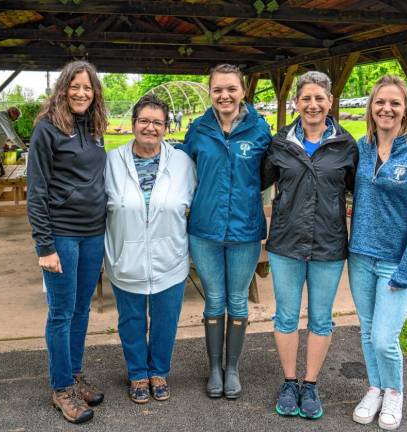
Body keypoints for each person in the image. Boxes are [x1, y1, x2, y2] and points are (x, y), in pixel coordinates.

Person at [261, 71, 358, 419]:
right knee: (286, 317)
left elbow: (357, 192)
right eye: (306, 98)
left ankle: (311, 385)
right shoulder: (280, 143)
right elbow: (258, 181)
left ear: (330, 101)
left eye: (320, 98)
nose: (313, 104)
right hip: (286, 245)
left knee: (321, 319)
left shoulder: (347, 145)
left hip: (328, 248)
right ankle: (290, 382)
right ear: (296, 103)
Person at [348, 75, 407, 430]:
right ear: (371, 108)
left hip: (395, 261)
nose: (386, 109)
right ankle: (375, 388)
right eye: (380, 102)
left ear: (406, 110)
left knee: (386, 338)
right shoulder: (361, 148)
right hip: (360, 257)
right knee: (368, 331)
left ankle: (395, 393)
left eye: (394, 103)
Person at [182, 64, 271, 399]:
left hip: (245, 231)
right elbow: (179, 168)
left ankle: (232, 367)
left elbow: (272, 172)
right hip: (204, 229)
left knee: (237, 299)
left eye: (231, 88)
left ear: (242, 91)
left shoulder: (259, 129)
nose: (225, 95)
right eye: (218, 89)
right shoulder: (199, 129)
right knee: (214, 299)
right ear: (210, 92)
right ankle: (213, 368)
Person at [27, 60, 108, 424]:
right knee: (61, 312)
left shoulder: (93, 129)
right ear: (63, 89)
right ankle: (61, 389)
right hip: (61, 233)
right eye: (74, 86)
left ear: (94, 93)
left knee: (81, 309)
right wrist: (44, 246)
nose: (81, 93)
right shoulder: (46, 129)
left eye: (87, 88)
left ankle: (75, 375)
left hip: (93, 233)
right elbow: (37, 191)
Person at [104, 94, 196, 404]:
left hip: (169, 258)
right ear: (132, 124)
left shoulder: (182, 163)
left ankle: (158, 371)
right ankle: (137, 373)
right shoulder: (112, 161)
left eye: (157, 122)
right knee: (131, 321)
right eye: (144, 120)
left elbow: (195, 205)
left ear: (167, 127)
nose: (150, 127)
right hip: (125, 258)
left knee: (166, 320)